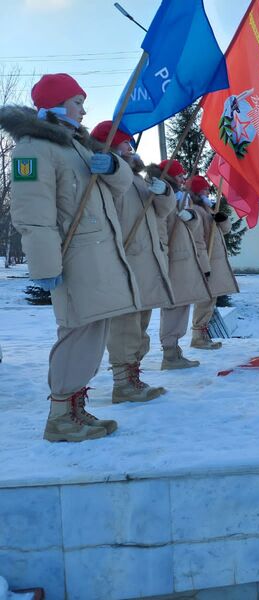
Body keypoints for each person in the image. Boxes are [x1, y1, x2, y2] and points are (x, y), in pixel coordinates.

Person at [0, 73, 137, 442]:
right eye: (77, 102)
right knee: (77, 333)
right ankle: (60, 415)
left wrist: (112, 166)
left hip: (100, 258)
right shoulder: (33, 148)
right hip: (72, 260)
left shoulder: (79, 145)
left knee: (92, 333)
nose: (83, 110)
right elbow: (31, 214)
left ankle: (74, 407)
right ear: (57, 105)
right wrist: (45, 267)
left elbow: (120, 186)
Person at [90, 122, 173, 403]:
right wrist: (115, 167)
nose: (131, 147)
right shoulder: (105, 171)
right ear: (111, 144)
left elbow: (161, 212)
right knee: (125, 325)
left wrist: (163, 192)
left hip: (146, 261)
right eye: (126, 142)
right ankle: (123, 384)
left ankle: (133, 377)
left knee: (140, 324)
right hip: (124, 259)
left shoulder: (137, 178)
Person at [146, 161, 212, 369]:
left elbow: (193, 228)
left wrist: (190, 215)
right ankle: (170, 354)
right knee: (173, 307)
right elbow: (160, 230)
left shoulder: (182, 198)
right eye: (180, 175)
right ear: (171, 176)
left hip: (183, 259)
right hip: (171, 259)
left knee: (181, 305)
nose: (184, 178)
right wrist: (163, 260)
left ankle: (173, 352)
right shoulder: (159, 192)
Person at [187, 175, 239, 350]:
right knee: (205, 300)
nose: (207, 192)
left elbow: (225, 230)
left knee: (210, 299)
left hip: (213, 261)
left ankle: (202, 335)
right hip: (206, 262)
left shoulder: (208, 210)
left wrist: (222, 219)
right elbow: (198, 241)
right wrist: (204, 266)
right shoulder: (195, 210)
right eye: (204, 189)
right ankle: (198, 337)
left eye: (208, 189)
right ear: (196, 191)